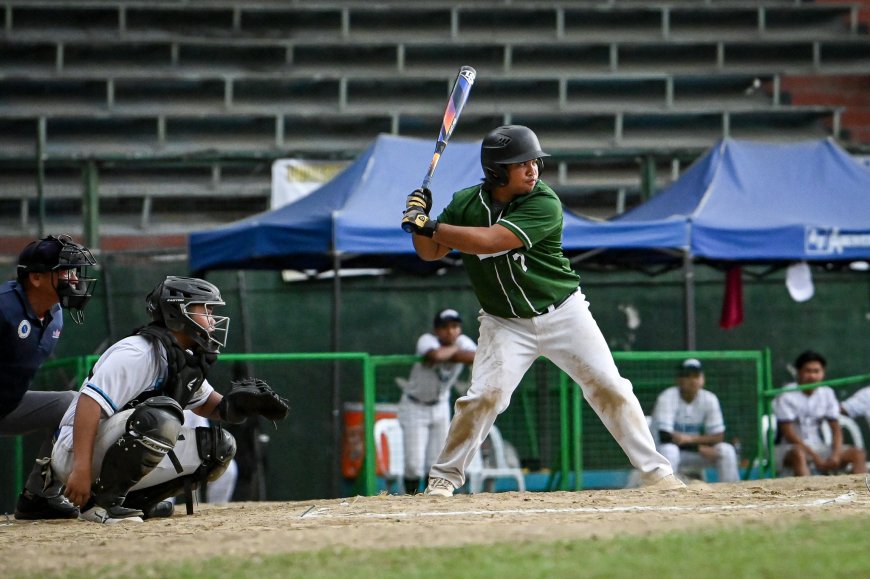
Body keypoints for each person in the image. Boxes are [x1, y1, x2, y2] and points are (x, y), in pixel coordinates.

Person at [400, 124, 681, 496]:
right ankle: (443, 480)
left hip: (564, 312)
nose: (533, 168)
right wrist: (419, 218)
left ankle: (657, 473)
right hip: (504, 322)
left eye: (534, 161)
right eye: (522, 163)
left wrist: (432, 225)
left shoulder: (544, 202)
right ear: (497, 170)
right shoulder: (466, 204)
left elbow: (493, 240)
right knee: (484, 396)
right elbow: (429, 252)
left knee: (610, 386)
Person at [50, 276, 289, 524]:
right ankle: (100, 505)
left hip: (109, 446)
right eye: (205, 309)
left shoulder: (180, 358)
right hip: (74, 452)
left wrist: (242, 406)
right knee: (160, 418)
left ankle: (133, 502)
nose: (213, 318)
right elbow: (89, 404)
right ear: (178, 311)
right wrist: (81, 468)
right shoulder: (138, 351)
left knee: (219, 447)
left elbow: (211, 405)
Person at [0, 234, 97, 520]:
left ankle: (39, 495)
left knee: (74, 405)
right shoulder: (4, 307)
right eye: (65, 271)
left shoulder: (56, 315)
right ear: (37, 278)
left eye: (75, 272)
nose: (75, 279)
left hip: (9, 404)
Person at [396, 308, 476, 494]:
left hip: (440, 406)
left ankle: (429, 499)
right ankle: (411, 498)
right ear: (436, 330)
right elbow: (435, 356)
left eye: (455, 326)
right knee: (413, 464)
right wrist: (456, 350)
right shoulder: (427, 340)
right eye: (445, 327)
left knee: (436, 460)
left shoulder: (462, 341)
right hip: (415, 405)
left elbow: (476, 356)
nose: (450, 331)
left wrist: (452, 352)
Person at [773, 350, 866, 476]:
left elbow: (836, 428)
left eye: (816, 371)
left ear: (823, 373)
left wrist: (836, 455)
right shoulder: (786, 394)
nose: (812, 376)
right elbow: (788, 433)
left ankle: (862, 493)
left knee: (858, 454)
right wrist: (815, 457)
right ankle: (808, 493)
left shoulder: (827, 393)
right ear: (798, 372)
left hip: (819, 447)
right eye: (808, 371)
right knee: (798, 454)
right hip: (790, 449)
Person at [651, 359, 740, 483]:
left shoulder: (709, 399)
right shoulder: (667, 397)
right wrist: (699, 448)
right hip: (662, 453)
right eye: (687, 376)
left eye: (696, 376)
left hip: (691, 450)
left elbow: (718, 436)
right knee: (670, 450)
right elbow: (665, 437)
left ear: (702, 379)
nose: (693, 380)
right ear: (679, 380)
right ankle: (666, 489)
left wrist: (689, 440)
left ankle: (731, 492)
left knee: (726, 451)